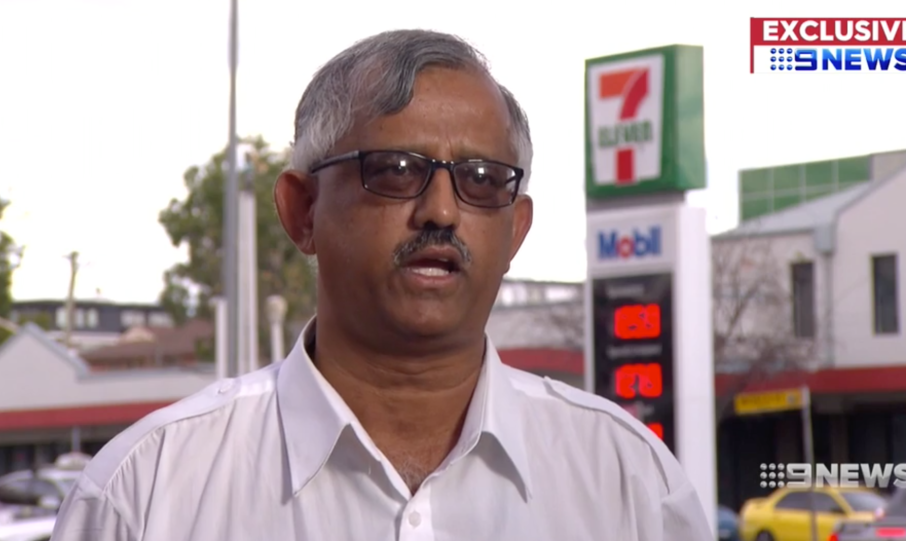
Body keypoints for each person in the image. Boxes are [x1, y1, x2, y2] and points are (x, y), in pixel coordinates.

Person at [51, 29, 713, 541]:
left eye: (482, 180)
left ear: (516, 231)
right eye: (396, 170)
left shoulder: (626, 481)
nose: (443, 211)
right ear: (301, 211)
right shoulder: (148, 489)